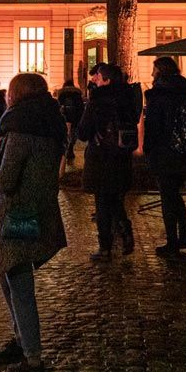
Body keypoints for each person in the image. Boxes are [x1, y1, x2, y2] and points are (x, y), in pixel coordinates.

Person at [0, 73, 68, 372]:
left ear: (17, 95)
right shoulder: (52, 126)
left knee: (19, 284)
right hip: (38, 209)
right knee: (11, 276)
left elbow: (6, 180)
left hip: (18, 214)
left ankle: (32, 357)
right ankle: (21, 340)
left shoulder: (19, 130)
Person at [76, 63, 138, 260]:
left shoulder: (98, 101)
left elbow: (83, 132)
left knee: (102, 202)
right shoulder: (128, 98)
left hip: (101, 158)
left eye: (98, 77)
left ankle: (105, 247)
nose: (94, 79)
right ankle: (125, 231)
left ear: (107, 80)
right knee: (114, 198)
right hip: (122, 157)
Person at [143, 57, 186, 256]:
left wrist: (148, 151)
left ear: (160, 71)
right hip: (185, 152)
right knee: (174, 194)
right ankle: (183, 236)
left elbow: (153, 127)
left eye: (154, 70)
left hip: (165, 152)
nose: (151, 74)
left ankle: (172, 242)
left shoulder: (158, 95)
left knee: (168, 197)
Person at [55, 79, 85, 163]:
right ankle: (70, 149)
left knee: (65, 134)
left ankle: (65, 152)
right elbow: (80, 108)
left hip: (64, 118)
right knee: (73, 134)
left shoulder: (61, 93)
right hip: (75, 118)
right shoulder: (77, 94)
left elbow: (58, 106)